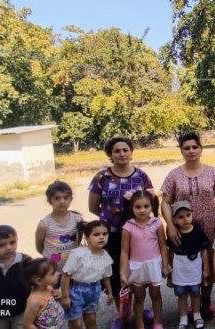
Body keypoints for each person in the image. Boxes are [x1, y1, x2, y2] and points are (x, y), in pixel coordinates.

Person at [87, 136, 154, 329]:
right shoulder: (102, 177)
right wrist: (114, 219)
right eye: (117, 151)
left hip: (139, 233)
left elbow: (150, 202)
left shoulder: (141, 176)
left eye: (125, 150)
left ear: (131, 151)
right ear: (110, 154)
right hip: (112, 235)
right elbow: (93, 207)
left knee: (138, 272)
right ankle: (122, 314)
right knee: (117, 274)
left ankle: (140, 310)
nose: (122, 154)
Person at [161, 132, 215, 317]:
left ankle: (205, 302)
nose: (191, 151)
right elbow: (165, 202)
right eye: (186, 148)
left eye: (194, 147)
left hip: (210, 227)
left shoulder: (212, 172)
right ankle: (189, 303)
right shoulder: (174, 175)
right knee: (187, 265)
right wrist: (170, 225)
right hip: (182, 230)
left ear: (201, 149)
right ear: (181, 151)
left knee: (207, 264)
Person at [119, 190, 168, 329]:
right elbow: (124, 251)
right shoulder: (128, 227)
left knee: (156, 294)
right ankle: (140, 324)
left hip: (154, 264)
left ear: (152, 206)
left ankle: (157, 322)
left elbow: (163, 246)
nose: (142, 210)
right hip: (136, 266)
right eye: (138, 207)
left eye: (146, 206)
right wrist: (123, 272)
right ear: (131, 208)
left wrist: (165, 265)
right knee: (139, 297)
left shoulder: (157, 223)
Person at [61, 220, 113, 329]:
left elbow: (106, 276)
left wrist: (110, 292)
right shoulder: (78, 254)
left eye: (105, 234)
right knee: (76, 323)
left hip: (94, 290)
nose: (101, 237)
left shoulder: (105, 256)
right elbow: (66, 275)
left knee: (91, 320)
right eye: (96, 234)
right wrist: (65, 296)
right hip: (76, 291)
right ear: (87, 237)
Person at [168, 201, 210, 329]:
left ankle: (197, 315)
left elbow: (204, 251)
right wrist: (169, 268)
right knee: (181, 295)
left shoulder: (198, 232)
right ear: (174, 220)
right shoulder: (173, 235)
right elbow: (170, 252)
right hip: (179, 271)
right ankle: (183, 318)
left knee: (196, 294)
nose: (185, 219)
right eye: (180, 217)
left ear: (192, 215)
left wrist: (206, 269)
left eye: (188, 215)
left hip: (195, 270)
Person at [35, 181, 83, 273]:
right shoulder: (44, 224)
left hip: (72, 269)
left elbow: (78, 241)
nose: (62, 201)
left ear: (71, 199)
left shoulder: (78, 220)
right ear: (49, 201)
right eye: (57, 198)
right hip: (52, 271)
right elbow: (39, 247)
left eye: (66, 197)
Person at [21, 258, 66, 329]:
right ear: (39, 281)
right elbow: (27, 325)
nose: (58, 274)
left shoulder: (49, 289)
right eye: (53, 273)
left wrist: (59, 294)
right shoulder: (34, 301)